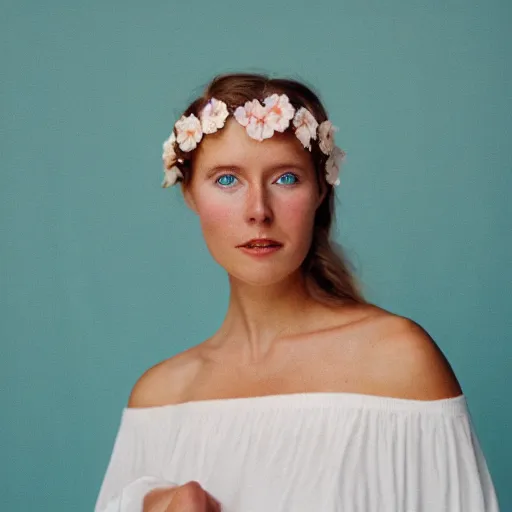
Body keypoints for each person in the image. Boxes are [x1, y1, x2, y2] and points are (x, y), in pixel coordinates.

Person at [94, 73, 500, 512]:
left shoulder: (398, 361)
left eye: (286, 178)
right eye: (227, 180)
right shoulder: (161, 398)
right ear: (189, 191)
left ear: (320, 189)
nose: (258, 211)